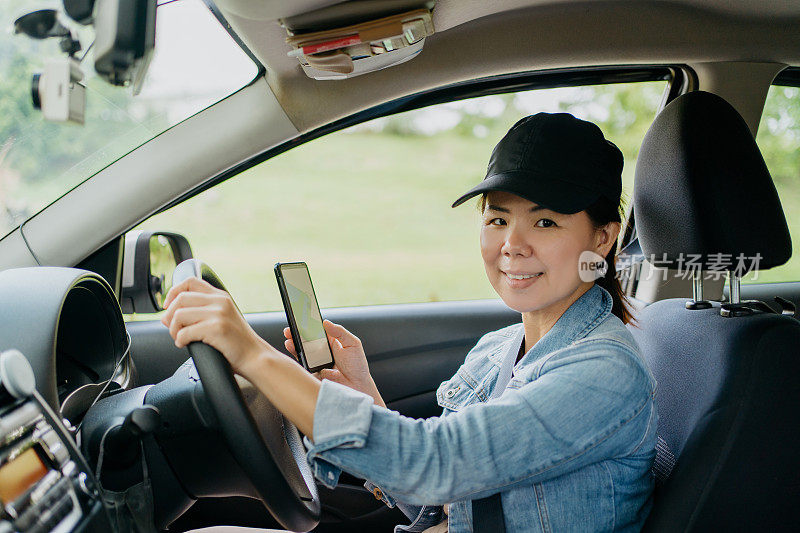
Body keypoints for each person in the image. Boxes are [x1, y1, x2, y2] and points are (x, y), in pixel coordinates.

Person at [162, 113, 657, 532]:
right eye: (498, 219)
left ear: (602, 240)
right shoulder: (498, 350)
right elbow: (437, 502)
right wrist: (366, 398)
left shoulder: (604, 371)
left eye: (545, 222)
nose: (512, 244)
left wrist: (251, 354)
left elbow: (435, 465)